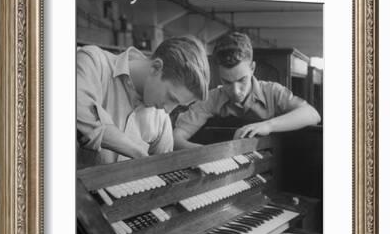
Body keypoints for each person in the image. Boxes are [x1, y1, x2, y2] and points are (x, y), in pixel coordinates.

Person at [173, 31, 321, 149]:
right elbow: (177, 137)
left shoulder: (273, 92)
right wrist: (206, 154)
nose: (236, 91)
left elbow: (312, 114)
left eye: (241, 80)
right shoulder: (211, 99)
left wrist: (267, 125)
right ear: (218, 73)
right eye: (227, 82)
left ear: (252, 68)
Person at [77, 36, 210, 165]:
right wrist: (138, 153)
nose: (168, 110)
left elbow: (163, 170)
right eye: (171, 98)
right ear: (156, 68)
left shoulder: (161, 117)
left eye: (178, 105)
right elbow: (81, 118)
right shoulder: (92, 62)